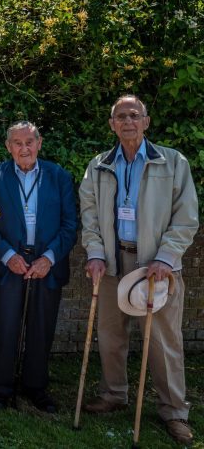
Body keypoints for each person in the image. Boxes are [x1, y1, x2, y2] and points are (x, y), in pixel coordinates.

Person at [79, 95, 199, 446]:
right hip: (114, 262)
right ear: (112, 123)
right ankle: (114, 394)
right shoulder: (98, 165)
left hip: (155, 266)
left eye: (134, 115)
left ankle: (174, 412)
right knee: (112, 336)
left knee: (164, 343)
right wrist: (96, 253)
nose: (128, 121)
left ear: (146, 122)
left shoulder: (173, 162)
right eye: (121, 116)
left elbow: (186, 218)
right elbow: (89, 216)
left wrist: (166, 257)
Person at [0, 121, 77, 412]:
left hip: (46, 262)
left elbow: (70, 225)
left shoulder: (59, 176)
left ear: (39, 143)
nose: (24, 148)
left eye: (29, 142)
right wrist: (6, 254)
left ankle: (35, 386)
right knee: (4, 326)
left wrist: (49, 257)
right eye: (18, 143)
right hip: (9, 262)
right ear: (8, 147)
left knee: (40, 328)